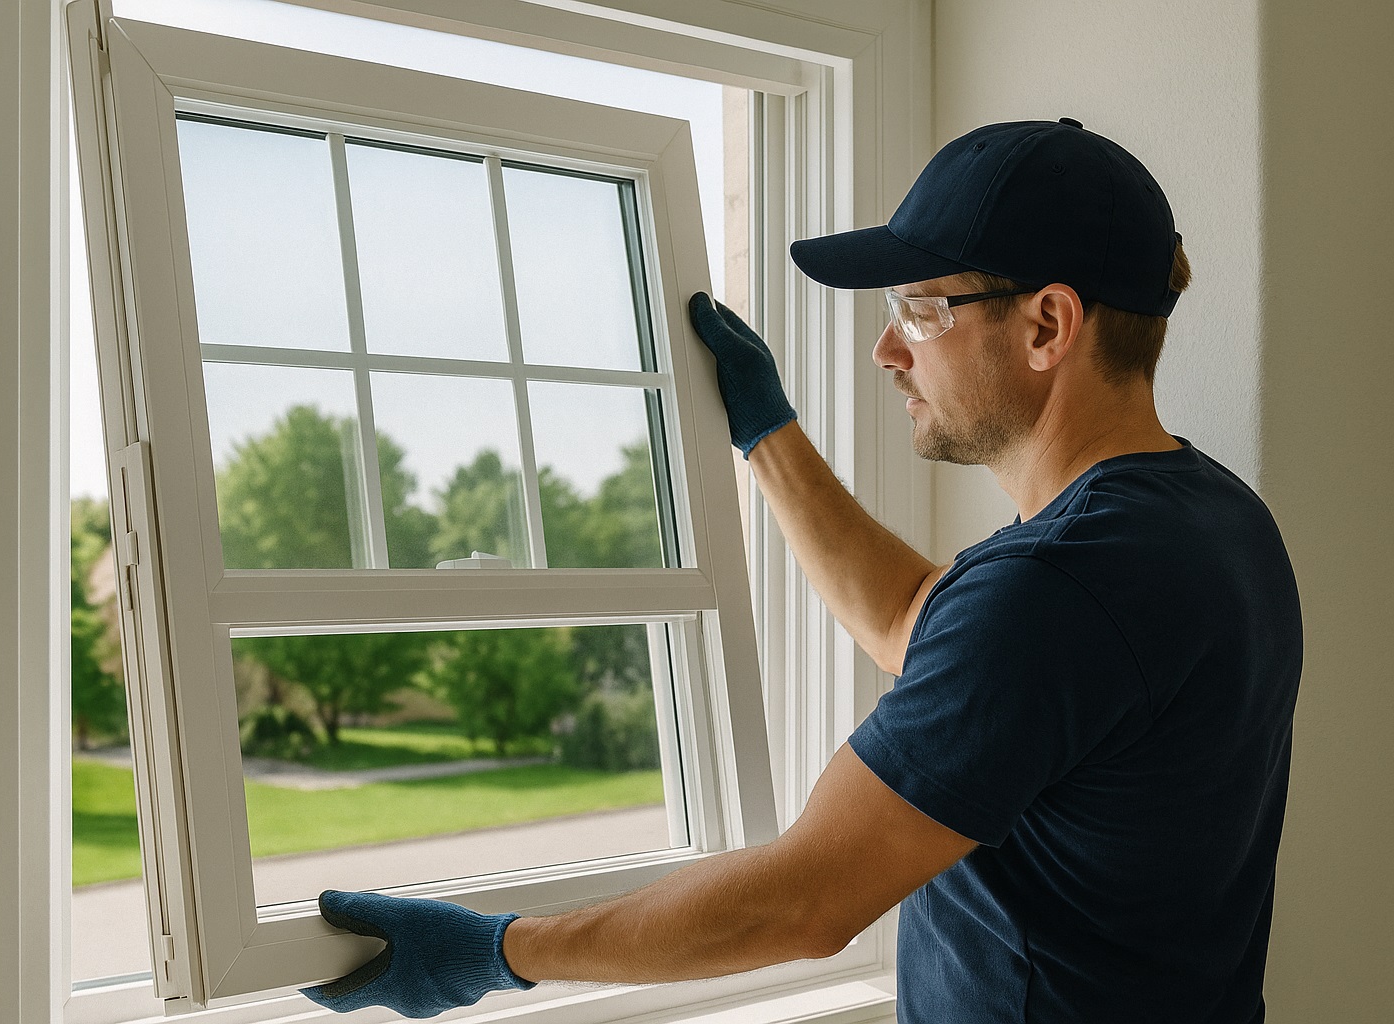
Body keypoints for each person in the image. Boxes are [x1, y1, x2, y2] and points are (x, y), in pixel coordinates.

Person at [301, 118, 1302, 1023]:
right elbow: (924, 619)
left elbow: (805, 900)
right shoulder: (1211, 520)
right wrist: (766, 433)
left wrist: (496, 951)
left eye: (921, 307)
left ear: (1047, 325)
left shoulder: (1053, 590)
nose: (885, 347)